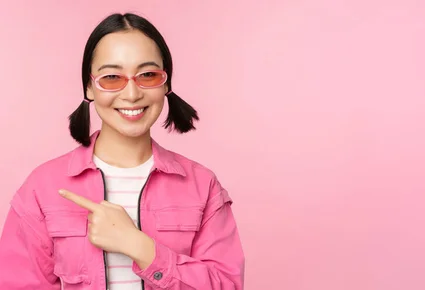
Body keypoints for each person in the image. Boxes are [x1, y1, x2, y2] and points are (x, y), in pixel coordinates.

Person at [0, 12, 245, 289]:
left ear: (166, 84)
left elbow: (227, 285)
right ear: (89, 87)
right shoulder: (43, 187)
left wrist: (139, 246)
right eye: (112, 77)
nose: (131, 94)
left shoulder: (202, 186)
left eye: (148, 75)